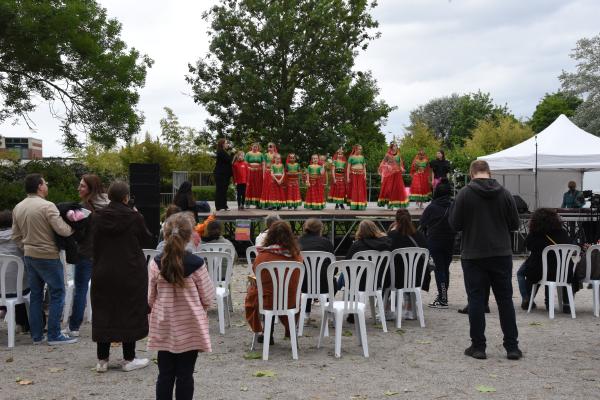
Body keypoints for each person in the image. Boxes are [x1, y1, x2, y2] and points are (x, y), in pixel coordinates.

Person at [449, 160, 522, 360]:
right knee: (505, 300)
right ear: (489, 173)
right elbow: (515, 223)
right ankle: (512, 347)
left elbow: (455, 224)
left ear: (471, 174)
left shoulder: (464, 193)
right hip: (501, 252)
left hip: (473, 253)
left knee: (476, 300)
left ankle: (478, 346)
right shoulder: (505, 193)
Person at [148, 213, 215, 400]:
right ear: (189, 236)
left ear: (165, 234)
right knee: (185, 375)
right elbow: (208, 297)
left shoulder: (155, 263)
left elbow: (150, 298)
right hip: (190, 325)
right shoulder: (197, 264)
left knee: (165, 374)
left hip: (165, 324)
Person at [91, 181, 153, 372]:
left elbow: (90, 242)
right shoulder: (134, 217)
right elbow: (147, 239)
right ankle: (129, 358)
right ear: (126, 197)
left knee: (103, 310)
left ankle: (102, 360)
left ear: (109, 196)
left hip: (103, 269)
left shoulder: (96, 216)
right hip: (130, 270)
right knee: (130, 309)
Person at [12, 173, 76, 345]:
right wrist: (75, 228)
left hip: (29, 255)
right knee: (57, 292)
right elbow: (62, 229)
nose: (47, 185)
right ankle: (54, 334)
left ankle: (37, 336)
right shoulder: (48, 206)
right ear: (40, 186)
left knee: (36, 295)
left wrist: (25, 247)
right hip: (48, 255)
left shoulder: (18, 207)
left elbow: (16, 235)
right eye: (45, 183)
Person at [64, 174, 109, 338]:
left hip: (86, 252)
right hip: (104, 253)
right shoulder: (108, 205)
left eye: (82, 186)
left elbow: (79, 234)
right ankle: (106, 323)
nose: (79, 188)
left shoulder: (83, 208)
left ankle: (74, 326)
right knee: (103, 289)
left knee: (80, 289)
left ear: (91, 188)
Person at [245, 221, 303, 343]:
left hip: (267, 301)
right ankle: (289, 332)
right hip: (291, 300)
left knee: (258, 291)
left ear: (269, 235)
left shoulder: (262, 257)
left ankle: (267, 333)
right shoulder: (297, 256)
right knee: (274, 291)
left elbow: (257, 275)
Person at [521, 208, 573, 312]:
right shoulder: (562, 232)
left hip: (543, 270)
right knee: (546, 270)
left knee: (522, 273)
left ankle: (527, 299)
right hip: (565, 271)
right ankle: (566, 303)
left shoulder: (536, 234)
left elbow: (528, 246)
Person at [419, 180, 455, 308]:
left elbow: (422, 223)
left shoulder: (432, 207)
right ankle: (443, 296)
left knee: (439, 270)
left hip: (435, 241)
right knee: (445, 269)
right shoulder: (453, 205)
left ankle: (443, 299)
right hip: (450, 241)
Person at [0, 209, 29, 332]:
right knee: (26, 285)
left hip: (0, 291)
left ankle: (3, 309)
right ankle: (24, 324)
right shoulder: (19, 239)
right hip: (18, 289)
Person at [298, 218, 335, 315]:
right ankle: (328, 307)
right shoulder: (326, 242)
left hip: (302, 284)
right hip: (324, 284)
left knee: (305, 275)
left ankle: (306, 312)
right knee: (333, 281)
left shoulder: (297, 242)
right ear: (320, 229)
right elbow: (333, 267)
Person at [380, 142, 408, 209]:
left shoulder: (398, 155)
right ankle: (388, 204)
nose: (395, 147)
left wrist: (402, 169)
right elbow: (382, 164)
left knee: (397, 189)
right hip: (390, 174)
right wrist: (388, 165)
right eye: (394, 146)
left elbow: (400, 165)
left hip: (397, 174)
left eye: (396, 146)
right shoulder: (387, 155)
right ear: (392, 147)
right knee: (389, 189)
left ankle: (395, 204)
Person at [214, 138, 233, 211]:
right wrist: (232, 153)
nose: (227, 144)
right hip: (220, 174)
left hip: (225, 174)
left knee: (224, 190)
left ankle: (224, 206)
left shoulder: (224, 151)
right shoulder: (220, 151)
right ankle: (219, 206)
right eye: (226, 143)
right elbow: (228, 160)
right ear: (222, 144)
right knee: (220, 190)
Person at [346, 145, 367, 210]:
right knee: (354, 189)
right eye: (359, 149)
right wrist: (347, 177)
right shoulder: (351, 157)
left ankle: (360, 205)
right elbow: (348, 168)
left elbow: (364, 167)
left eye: (361, 149)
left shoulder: (362, 157)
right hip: (353, 175)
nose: (360, 151)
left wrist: (365, 175)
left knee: (360, 189)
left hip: (361, 175)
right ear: (355, 149)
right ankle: (354, 205)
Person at [259, 142, 279, 209]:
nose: (269, 148)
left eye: (271, 147)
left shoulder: (276, 155)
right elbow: (264, 164)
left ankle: (273, 204)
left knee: (272, 188)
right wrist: (263, 174)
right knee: (266, 188)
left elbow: (278, 165)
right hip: (267, 172)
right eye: (268, 147)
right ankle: (267, 204)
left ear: (274, 147)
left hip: (273, 173)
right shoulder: (266, 155)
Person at [244, 143, 264, 208]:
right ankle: (247, 203)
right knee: (249, 186)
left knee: (258, 186)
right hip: (250, 171)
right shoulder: (248, 154)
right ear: (251, 147)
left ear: (258, 148)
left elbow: (263, 163)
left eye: (256, 147)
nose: (255, 148)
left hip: (258, 172)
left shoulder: (261, 154)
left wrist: (261, 169)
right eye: (254, 147)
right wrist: (249, 168)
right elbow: (245, 163)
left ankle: (258, 204)